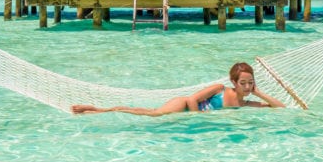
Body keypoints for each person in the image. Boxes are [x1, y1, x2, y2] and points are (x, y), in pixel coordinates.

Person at [71, 62, 285, 115]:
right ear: (234, 83)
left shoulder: (247, 103)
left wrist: (258, 92)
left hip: (187, 112)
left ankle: (96, 111)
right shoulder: (221, 89)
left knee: (149, 114)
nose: (247, 87)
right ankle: (98, 110)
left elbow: (280, 108)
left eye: (250, 83)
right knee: (153, 115)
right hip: (182, 104)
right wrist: (196, 119)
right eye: (243, 83)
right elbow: (192, 99)